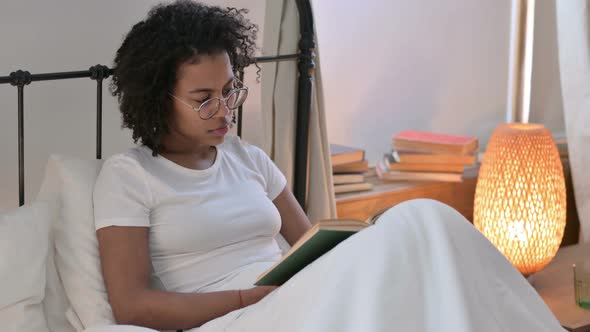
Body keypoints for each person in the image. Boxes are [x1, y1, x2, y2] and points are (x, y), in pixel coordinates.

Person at [94, 1, 565, 331]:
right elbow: (132, 306)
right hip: (231, 317)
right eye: (203, 99)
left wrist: (356, 246)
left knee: (424, 218)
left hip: (288, 295)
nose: (225, 109)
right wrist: (246, 299)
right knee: (419, 226)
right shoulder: (129, 176)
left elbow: (311, 245)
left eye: (230, 90)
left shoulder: (247, 158)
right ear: (158, 99)